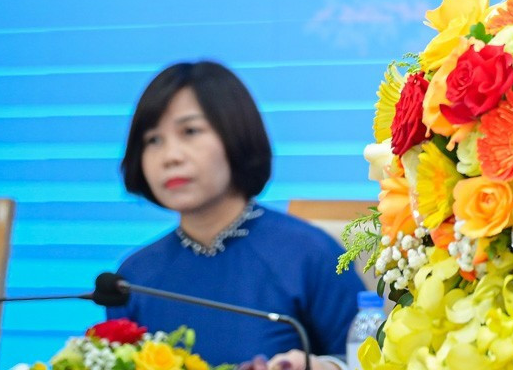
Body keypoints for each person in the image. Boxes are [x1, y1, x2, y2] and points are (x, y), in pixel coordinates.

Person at [109, 61, 365, 370]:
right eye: (153, 140)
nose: (170, 156)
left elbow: (375, 360)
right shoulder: (133, 277)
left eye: (190, 131)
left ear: (235, 133)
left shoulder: (308, 254)